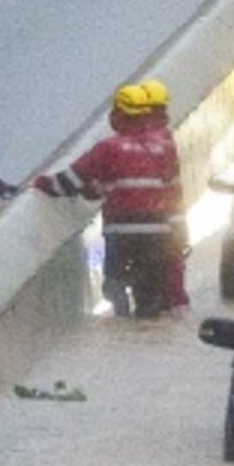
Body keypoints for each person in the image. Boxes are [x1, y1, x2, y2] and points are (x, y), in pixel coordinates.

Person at [41, 80, 193, 317]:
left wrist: (43, 184)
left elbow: (70, 180)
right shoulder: (164, 148)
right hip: (158, 235)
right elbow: (171, 193)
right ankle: (146, 327)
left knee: (114, 284)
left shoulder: (108, 149)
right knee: (150, 299)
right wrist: (179, 233)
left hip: (121, 234)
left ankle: (121, 318)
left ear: (120, 115)